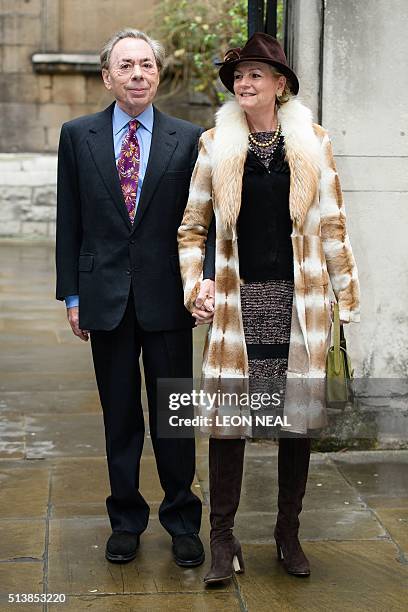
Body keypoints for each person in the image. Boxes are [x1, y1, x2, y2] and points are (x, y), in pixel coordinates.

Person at [178, 32, 360, 583]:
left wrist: (345, 295)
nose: (244, 83)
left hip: (297, 301)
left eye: (256, 75)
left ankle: (287, 533)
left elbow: (332, 224)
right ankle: (222, 540)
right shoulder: (215, 145)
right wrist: (196, 284)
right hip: (238, 302)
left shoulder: (312, 143)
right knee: (229, 425)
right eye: (238, 77)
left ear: (280, 86)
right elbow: (192, 227)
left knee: (295, 425)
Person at [55, 29, 206, 567]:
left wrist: (201, 281)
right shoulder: (78, 135)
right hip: (105, 296)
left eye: (146, 65)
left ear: (157, 74)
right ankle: (125, 519)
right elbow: (68, 220)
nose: (137, 74)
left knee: (174, 416)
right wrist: (71, 294)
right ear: (107, 76)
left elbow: (200, 222)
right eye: (126, 66)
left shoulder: (189, 139)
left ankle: (183, 519)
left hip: (169, 298)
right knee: (119, 416)